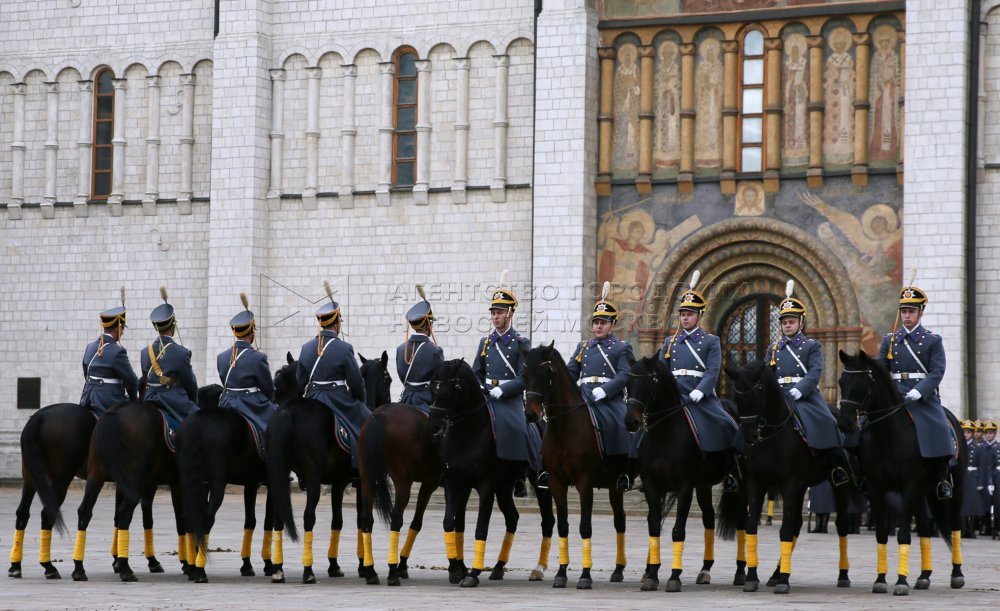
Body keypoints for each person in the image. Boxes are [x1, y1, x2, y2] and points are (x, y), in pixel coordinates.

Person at [767, 280, 857, 488]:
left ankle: (836, 467)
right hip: (779, 396)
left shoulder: (811, 346)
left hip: (804, 396)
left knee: (826, 422)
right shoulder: (773, 348)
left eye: (791, 321)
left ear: (801, 322)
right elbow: (767, 374)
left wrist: (800, 389)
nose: (787, 325)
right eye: (784, 322)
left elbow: (816, 371)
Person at [657, 270, 741, 489]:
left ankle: (732, 469)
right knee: (643, 428)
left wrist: (701, 390)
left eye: (690, 314)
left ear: (699, 315)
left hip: (699, 396)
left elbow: (713, 371)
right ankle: (637, 468)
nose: (685, 317)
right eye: (683, 313)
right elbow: (660, 372)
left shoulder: (710, 341)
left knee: (726, 423)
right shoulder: (669, 342)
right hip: (674, 397)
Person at [877, 280, 956, 500]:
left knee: (940, 426)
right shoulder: (890, 340)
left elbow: (937, 371)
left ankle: (942, 478)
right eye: (904, 311)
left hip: (922, 395)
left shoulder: (932, 341)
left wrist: (920, 391)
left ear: (920, 313)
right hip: (895, 394)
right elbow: (881, 368)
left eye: (911, 311)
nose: (907, 316)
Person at [567, 282, 634, 491]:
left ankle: (623, 470)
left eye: (603, 322)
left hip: (610, 399)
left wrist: (606, 390)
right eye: (596, 322)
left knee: (620, 425)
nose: (598, 326)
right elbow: (570, 372)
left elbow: (625, 374)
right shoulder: (583, 347)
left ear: (612, 325)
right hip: (584, 396)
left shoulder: (622, 347)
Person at [296, 281, 371, 467]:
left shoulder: (306, 348)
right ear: (337, 323)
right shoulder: (344, 348)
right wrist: (360, 399)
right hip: (337, 399)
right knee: (368, 423)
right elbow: (355, 382)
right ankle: (360, 463)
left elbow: (300, 380)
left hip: (312, 397)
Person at [471, 273, 533, 495]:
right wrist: (480, 386)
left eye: (499, 312)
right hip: (487, 394)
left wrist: (503, 389)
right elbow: (476, 371)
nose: (495, 317)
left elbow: (524, 378)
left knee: (518, 428)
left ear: (510, 314)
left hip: (510, 397)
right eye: (493, 313)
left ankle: (519, 474)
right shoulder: (485, 342)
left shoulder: (521, 343)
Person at [217, 293, 276, 443]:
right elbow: (268, 389)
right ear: (252, 331)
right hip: (249, 404)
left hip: (226, 402)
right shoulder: (258, 357)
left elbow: (226, 382)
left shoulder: (221, 357)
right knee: (276, 425)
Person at [141, 286, 199, 429]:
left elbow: (144, 378)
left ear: (156, 328)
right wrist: (192, 403)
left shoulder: (144, 352)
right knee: (199, 424)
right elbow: (190, 384)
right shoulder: (181, 353)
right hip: (172, 400)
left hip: (149, 397)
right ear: (173, 326)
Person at [80, 289, 140, 417]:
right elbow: (132, 381)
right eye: (122, 328)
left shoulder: (90, 347)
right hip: (108, 401)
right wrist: (135, 402)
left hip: (88, 398)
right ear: (118, 327)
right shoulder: (118, 351)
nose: (123, 332)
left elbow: (87, 373)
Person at [396, 284, 444, 411]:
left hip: (405, 400)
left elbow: (402, 377)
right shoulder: (435, 350)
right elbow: (439, 381)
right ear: (429, 325)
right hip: (426, 401)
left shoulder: (400, 349)